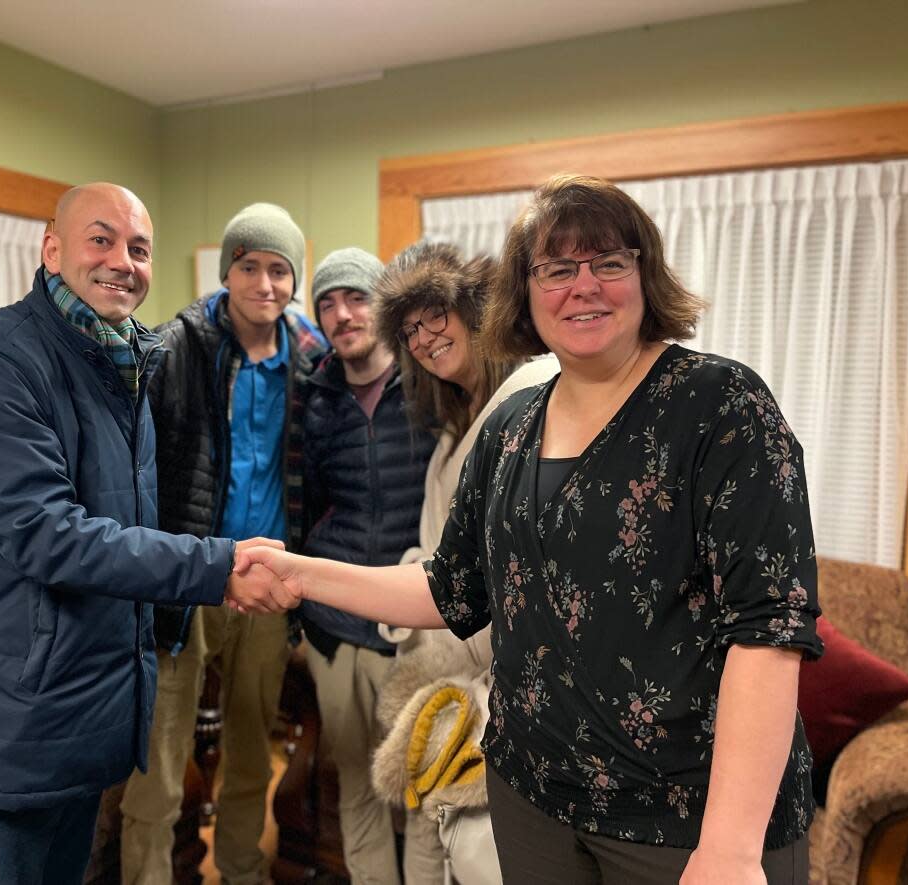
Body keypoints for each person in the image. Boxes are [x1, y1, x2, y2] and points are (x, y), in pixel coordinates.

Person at [238, 175, 823, 885]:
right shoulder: (510, 428)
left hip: (687, 819)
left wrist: (730, 848)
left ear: (646, 273)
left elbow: (767, 630)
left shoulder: (721, 406)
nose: (584, 286)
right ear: (524, 291)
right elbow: (446, 588)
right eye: (556, 268)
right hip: (532, 798)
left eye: (609, 262)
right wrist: (298, 572)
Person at [0, 183, 291, 885]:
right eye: (102, 239)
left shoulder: (122, 365)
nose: (123, 260)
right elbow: (46, 532)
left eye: (139, 248)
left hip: (78, 725)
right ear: (52, 249)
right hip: (3, 734)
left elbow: (122, 531)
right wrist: (216, 565)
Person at [120, 202, 327, 885]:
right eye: (249, 266)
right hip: (188, 578)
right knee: (159, 764)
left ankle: (242, 869)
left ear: (294, 279)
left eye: (278, 269)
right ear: (227, 270)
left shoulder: (310, 358)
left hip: (269, 579)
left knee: (250, 748)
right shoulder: (177, 346)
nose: (263, 283)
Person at [365, 241, 559, 882]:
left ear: (475, 310)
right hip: (449, 650)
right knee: (434, 820)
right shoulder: (454, 426)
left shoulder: (531, 396)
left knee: (485, 846)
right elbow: (439, 546)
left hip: (507, 666)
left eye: (435, 316)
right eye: (410, 330)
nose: (424, 337)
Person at [298, 247, 437, 883]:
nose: (342, 314)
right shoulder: (314, 398)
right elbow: (306, 504)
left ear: (382, 304)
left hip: (414, 622)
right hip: (334, 624)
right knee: (355, 786)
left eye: (355, 298)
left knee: (421, 791)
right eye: (327, 303)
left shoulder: (431, 384)